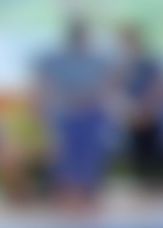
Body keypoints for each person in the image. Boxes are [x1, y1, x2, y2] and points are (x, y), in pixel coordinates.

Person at [34, 18, 120, 210]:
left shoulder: (99, 60)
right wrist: (45, 106)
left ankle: (89, 193)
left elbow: (110, 82)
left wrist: (93, 97)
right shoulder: (55, 59)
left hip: (92, 111)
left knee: (91, 153)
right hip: (65, 112)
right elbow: (44, 82)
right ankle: (63, 193)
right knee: (64, 154)